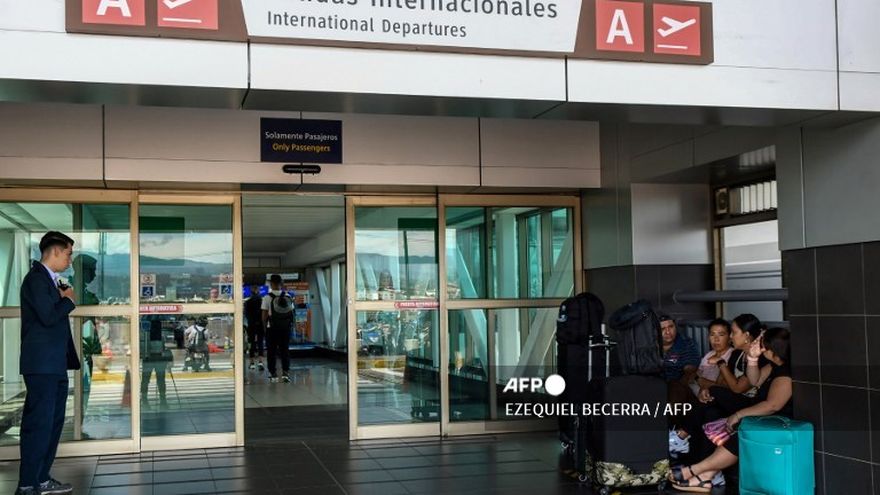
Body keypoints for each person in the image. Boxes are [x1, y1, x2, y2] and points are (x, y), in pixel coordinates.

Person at [670, 327, 792, 493]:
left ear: (773, 350)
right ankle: (704, 472)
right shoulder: (773, 365)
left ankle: (698, 470)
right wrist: (753, 358)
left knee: (743, 431)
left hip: (773, 419)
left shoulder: (786, 373)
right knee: (713, 401)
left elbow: (773, 406)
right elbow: (754, 381)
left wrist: (738, 415)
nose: (761, 349)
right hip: (757, 411)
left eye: (763, 346)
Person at [17, 231, 80, 495]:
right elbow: (47, 317)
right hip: (41, 366)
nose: (69, 260)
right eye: (68, 254)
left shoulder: (50, 281)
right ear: (55, 251)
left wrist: (63, 297)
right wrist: (68, 301)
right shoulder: (36, 280)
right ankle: (27, 484)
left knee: (53, 424)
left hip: (54, 364)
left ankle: (41, 479)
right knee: (39, 425)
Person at [670, 314, 765, 462]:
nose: (731, 337)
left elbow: (738, 388)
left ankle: (681, 435)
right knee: (710, 412)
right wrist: (706, 390)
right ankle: (700, 463)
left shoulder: (757, 357)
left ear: (746, 335)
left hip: (750, 402)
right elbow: (722, 384)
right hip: (731, 400)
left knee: (712, 392)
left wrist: (721, 364)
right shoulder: (737, 354)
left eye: (733, 333)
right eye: (712, 334)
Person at [661, 313, 701, 428]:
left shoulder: (685, 343)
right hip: (656, 384)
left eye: (671, 327)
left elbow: (690, 370)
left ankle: (673, 431)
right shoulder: (651, 345)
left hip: (678, 384)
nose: (668, 332)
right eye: (662, 329)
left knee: (675, 390)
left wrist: (679, 387)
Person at [690, 319, 734, 395]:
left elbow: (722, 387)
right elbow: (695, 376)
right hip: (700, 392)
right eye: (712, 335)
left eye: (721, 335)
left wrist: (700, 380)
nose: (716, 339)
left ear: (730, 338)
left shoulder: (732, 355)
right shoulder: (709, 355)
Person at [262, 274, 292, 383]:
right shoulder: (288, 296)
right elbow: (291, 313)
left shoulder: (267, 297)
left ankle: (273, 373)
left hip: (272, 328)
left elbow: (264, 315)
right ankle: (286, 373)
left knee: (271, 351)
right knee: (285, 350)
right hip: (285, 328)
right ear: (281, 283)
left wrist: (264, 328)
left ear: (271, 284)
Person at [141, 316, 170, 410]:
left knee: (146, 380)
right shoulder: (160, 336)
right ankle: (162, 400)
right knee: (160, 380)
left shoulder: (146, 335)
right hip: (158, 359)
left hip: (148, 359)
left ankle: (145, 400)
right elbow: (164, 348)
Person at [245, 284, 265, 371]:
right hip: (260, 324)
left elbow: (246, 315)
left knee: (251, 343)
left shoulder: (248, 302)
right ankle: (260, 362)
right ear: (259, 291)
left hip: (251, 324)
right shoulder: (262, 301)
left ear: (251, 291)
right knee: (260, 342)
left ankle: (252, 363)